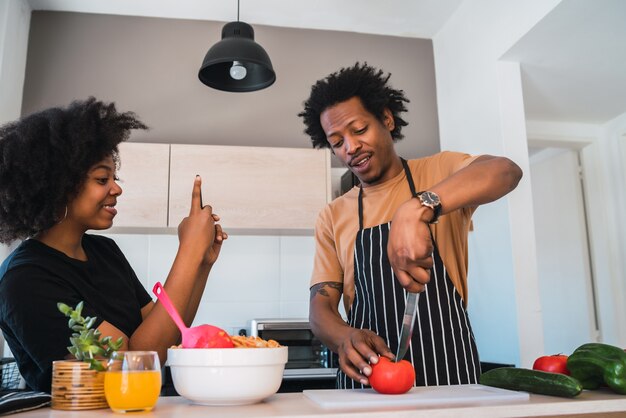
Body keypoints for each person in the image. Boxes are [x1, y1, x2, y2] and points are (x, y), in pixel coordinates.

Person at [299, 63, 523, 389]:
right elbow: (320, 309)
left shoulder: (440, 171)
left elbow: (506, 171)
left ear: (387, 119)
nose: (349, 148)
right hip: (369, 380)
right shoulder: (333, 215)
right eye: (337, 141)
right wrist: (344, 336)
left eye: (359, 130)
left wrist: (418, 208)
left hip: (450, 375)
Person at [0, 98, 226, 392]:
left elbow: (166, 330)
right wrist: (187, 252)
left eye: (113, 177)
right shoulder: (25, 280)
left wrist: (201, 264)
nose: (116, 188)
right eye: (102, 178)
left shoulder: (105, 251)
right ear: (58, 186)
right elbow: (133, 365)